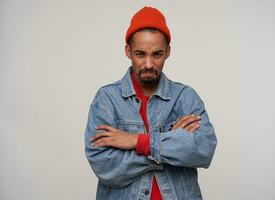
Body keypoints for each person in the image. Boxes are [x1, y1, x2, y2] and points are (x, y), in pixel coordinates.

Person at [84, 6, 217, 200]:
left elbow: (203, 150)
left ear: (168, 52)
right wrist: (171, 143)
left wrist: (137, 141)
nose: (148, 64)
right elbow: (104, 165)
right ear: (128, 51)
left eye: (157, 54)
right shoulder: (107, 99)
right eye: (140, 54)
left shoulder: (185, 97)